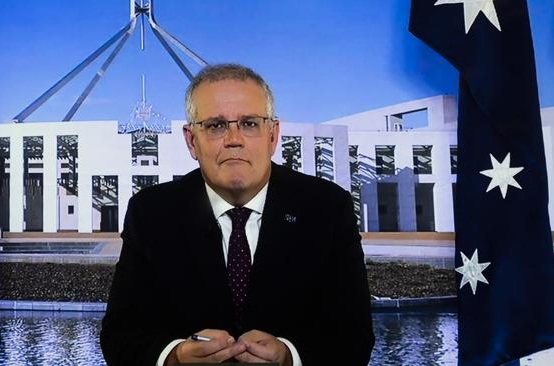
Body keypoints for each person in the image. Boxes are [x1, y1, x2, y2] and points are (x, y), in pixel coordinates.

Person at [100, 64, 374, 365]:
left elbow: (353, 336)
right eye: (216, 125)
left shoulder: (327, 208)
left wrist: (289, 357)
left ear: (273, 135)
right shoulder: (151, 212)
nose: (234, 139)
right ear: (192, 141)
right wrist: (174, 357)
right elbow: (120, 336)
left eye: (250, 124)